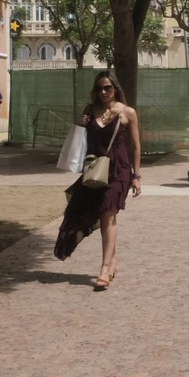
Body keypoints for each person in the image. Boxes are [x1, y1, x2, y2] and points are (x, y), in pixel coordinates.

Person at [54, 71, 142, 289]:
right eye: (100, 88)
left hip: (119, 170)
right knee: (94, 214)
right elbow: (82, 142)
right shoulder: (90, 112)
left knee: (108, 214)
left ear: (115, 88)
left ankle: (104, 268)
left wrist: (136, 176)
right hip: (95, 170)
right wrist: (81, 125)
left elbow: (136, 146)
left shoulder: (127, 113)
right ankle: (112, 260)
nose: (103, 92)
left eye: (108, 88)